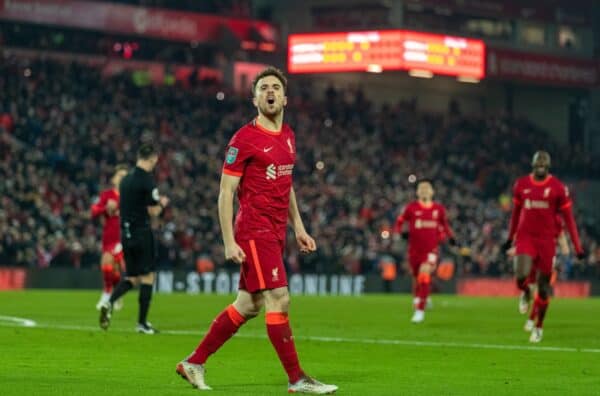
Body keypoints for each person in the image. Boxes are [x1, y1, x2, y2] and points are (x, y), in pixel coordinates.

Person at [175, 67, 338, 394]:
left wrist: (299, 228)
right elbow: (225, 192)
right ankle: (297, 379)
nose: (270, 92)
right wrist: (228, 240)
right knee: (280, 297)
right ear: (255, 99)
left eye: (275, 87)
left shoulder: (289, 135)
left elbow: (286, 185)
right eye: (263, 88)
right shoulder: (244, 139)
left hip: (277, 232)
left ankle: (194, 362)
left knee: (248, 305)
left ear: (285, 97)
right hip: (254, 229)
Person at [502, 150, 584, 343]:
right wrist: (510, 237)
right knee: (521, 274)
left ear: (548, 166)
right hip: (526, 238)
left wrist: (577, 247)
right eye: (537, 163)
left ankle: (538, 326)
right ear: (532, 165)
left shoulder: (557, 188)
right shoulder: (521, 185)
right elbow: (515, 214)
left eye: (543, 164)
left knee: (544, 287)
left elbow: (569, 220)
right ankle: (525, 292)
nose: (540, 166)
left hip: (547, 241)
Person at [99, 143, 169, 334]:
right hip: (141, 233)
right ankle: (142, 323)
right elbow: (153, 211)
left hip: (125, 234)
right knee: (148, 277)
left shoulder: (125, 181)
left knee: (131, 277)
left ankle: (109, 302)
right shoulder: (147, 180)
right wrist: (162, 204)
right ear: (153, 159)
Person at [394, 179, 456, 324]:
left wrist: (451, 238)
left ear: (432, 192)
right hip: (414, 250)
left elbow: (445, 225)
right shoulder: (411, 208)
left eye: (427, 189)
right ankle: (421, 297)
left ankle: (419, 311)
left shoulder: (438, 209)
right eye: (421, 189)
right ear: (417, 192)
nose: (424, 191)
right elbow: (400, 221)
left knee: (424, 274)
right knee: (416, 277)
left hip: (431, 250)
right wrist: (399, 232)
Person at [91, 164, 128, 310]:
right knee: (108, 266)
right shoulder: (107, 195)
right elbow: (94, 211)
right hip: (110, 236)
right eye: (120, 175)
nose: (124, 178)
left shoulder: (130, 197)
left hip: (126, 236)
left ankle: (110, 295)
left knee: (115, 267)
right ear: (114, 179)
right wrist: (105, 208)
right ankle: (110, 294)